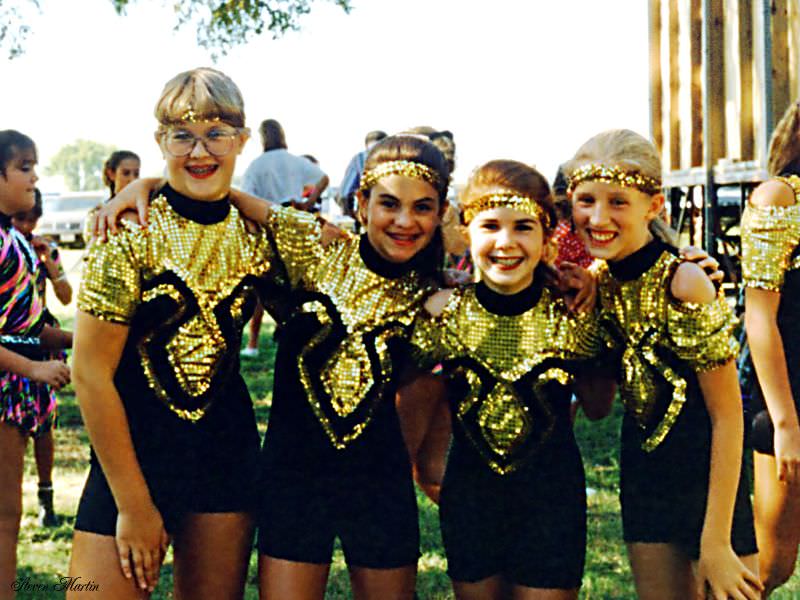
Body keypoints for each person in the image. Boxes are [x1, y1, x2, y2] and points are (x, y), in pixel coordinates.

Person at [68, 67, 280, 599]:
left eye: (217, 133)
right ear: (160, 140)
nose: (199, 150)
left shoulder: (256, 235)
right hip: (129, 458)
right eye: (182, 135)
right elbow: (89, 373)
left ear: (243, 139)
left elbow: (340, 255)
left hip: (224, 458)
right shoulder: (127, 232)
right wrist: (134, 505)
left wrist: (250, 204)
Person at [566, 129, 761, 600]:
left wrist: (715, 538)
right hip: (644, 481)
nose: (598, 217)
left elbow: (728, 415)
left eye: (618, 202)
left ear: (653, 206)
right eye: (586, 200)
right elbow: (595, 406)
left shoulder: (685, 280)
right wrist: (580, 318)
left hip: (710, 483)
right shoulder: (599, 284)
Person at [406, 159, 615, 600]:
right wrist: (443, 485)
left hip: (551, 503)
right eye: (490, 227)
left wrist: (596, 308)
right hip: (471, 502)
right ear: (465, 231)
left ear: (546, 239)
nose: (506, 243)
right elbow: (414, 428)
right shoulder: (442, 313)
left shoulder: (572, 313)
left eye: (523, 227)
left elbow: (598, 406)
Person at [0, 130, 71, 600]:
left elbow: (29, 324)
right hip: (6, 387)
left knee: (10, 511)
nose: (35, 176)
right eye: (24, 167)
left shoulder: (16, 240)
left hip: (17, 383)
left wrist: (86, 341)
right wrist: (33, 369)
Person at [742, 99, 800, 595]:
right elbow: (759, 315)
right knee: (769, 566)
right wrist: (785, 425)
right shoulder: (779, 198)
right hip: (787, 399)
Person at [239, 119, 329, 358]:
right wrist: (308, 203)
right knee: (299, 286)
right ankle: (298, 338)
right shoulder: (295, 161)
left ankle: (253, 343)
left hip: (269, 225)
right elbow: (324, 178)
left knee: (262, 288)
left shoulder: (257, 166)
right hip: (296, 223)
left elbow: (246, 198)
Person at [11, 188, 73, 528]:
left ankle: (46, 496)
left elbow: (65, 297)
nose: (27, 224)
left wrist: (52, 266)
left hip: (42, 340)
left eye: (32, 218)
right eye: (21, 218)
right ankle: (12, 500)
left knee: (44, 423)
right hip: (13, 345)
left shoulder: (43, 248)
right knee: (13, 423)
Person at [337, 129, 387, 217]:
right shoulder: (399, 157)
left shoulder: (359, 159)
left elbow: (344, 194)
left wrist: (352, 217)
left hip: (367, 213)